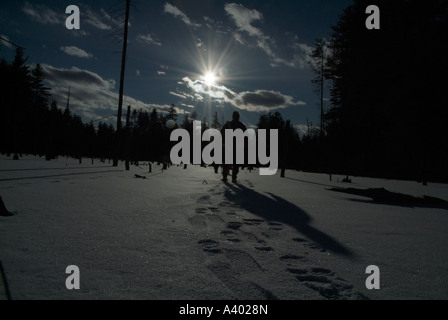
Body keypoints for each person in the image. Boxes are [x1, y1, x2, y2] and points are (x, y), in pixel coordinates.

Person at [221, 111, 247, 183]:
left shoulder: (229, 124)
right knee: (233, 163)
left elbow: (222, 133)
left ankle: (227, 177)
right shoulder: (241, 125)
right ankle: (232, 177)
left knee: (228, 163)